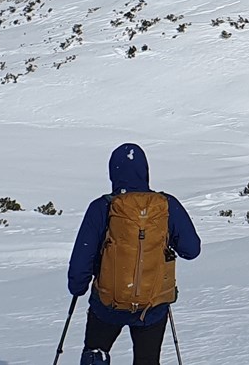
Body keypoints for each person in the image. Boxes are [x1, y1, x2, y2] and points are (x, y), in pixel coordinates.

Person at [67, 143, 201, 365]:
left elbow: (82, 258)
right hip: (152, 306)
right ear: (145, 171)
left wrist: (77, 287)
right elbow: (191, 250)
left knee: (95, 354)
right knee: (147, 360)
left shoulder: (102, 207)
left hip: (107, 304)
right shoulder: (166, 205)